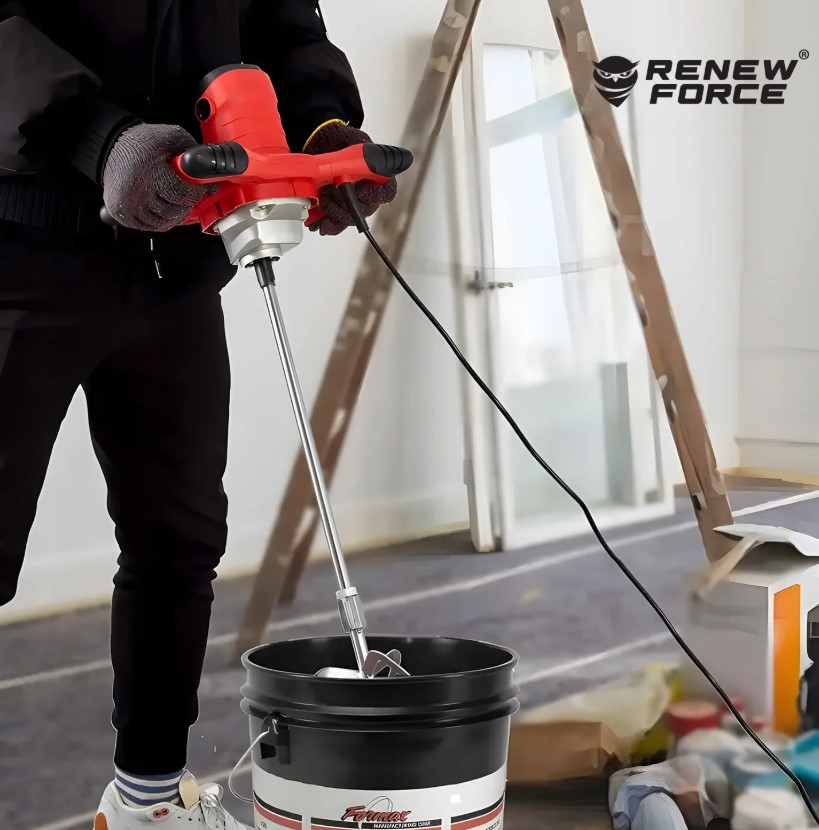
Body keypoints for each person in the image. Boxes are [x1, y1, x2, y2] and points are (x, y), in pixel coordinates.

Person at [0, 2, 397, 828]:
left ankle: (148, 801)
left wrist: (320, 130)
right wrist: (97, 138)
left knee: (178, 544)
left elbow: (284, 24)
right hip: (21, 250)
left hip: (173, 260)